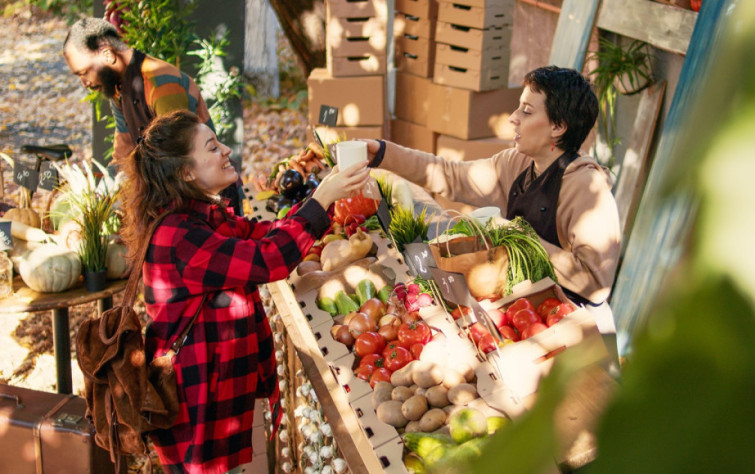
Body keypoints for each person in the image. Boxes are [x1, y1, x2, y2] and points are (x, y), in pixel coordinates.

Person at [119, 110, 369, 473]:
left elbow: (264, 234)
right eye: (212, 147)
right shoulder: (179, 237)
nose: (226, 151)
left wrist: (323, 198)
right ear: (186, 172)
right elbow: (268, 259)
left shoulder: (201, 215)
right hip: (197, 405)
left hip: (214, 392)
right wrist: (321, 200)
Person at [366, 66, 620, 304]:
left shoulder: (588, 188)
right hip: (520, 304)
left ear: (558, 127)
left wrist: (516, 235)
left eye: (527, 111)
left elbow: (596, 285)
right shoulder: (517, 163)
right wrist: (382, 154)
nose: (513, 118)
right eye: (518, 108)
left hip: (570, 323)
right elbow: (450, 175)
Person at [62, 17, 244, 213]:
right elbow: (123, 154)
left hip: (209, 199)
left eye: (84, 73)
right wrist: (100, 196)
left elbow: (177, 160)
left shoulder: (161, 82)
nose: (84, 83)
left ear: (108, 55)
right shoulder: (118, 89)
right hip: (178, 197)